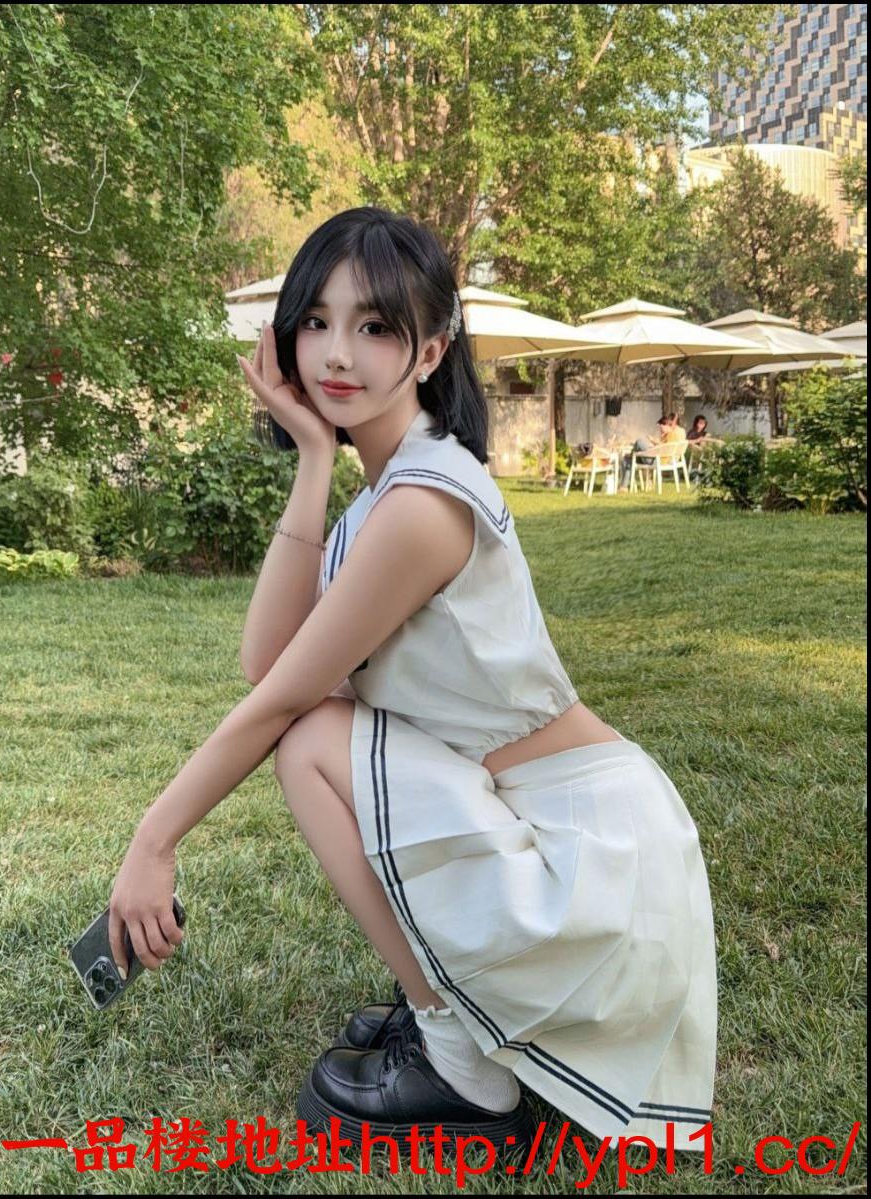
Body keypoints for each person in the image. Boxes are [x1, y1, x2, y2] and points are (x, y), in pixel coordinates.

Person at [106, 206, 717, 1155]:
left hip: (591, 861)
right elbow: (267, 660)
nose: (335, 353)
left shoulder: (424, 505)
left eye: (375, 326)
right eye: (316, 320)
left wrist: (155, 839)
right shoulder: (390, 486)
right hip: (540, 820)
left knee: (310, 738)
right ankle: (459, 1009)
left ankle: (463, 1063)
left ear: (430, 351)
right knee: (315, 721)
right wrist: (315, 455)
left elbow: (279, 698)